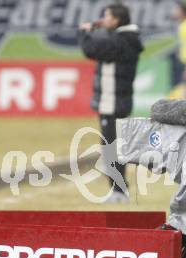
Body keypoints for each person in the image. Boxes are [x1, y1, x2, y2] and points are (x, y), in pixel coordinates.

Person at [78, 4, 144, 203]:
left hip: (113, 101)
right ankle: (119, 189)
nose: (103, 19)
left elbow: (90, 49)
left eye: (107, 16)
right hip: (117, 100)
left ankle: (119, 191)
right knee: (114, 146)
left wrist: (83, 33)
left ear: (116, 20)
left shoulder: (121, 41)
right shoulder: (126, 39)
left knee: (110, 147)